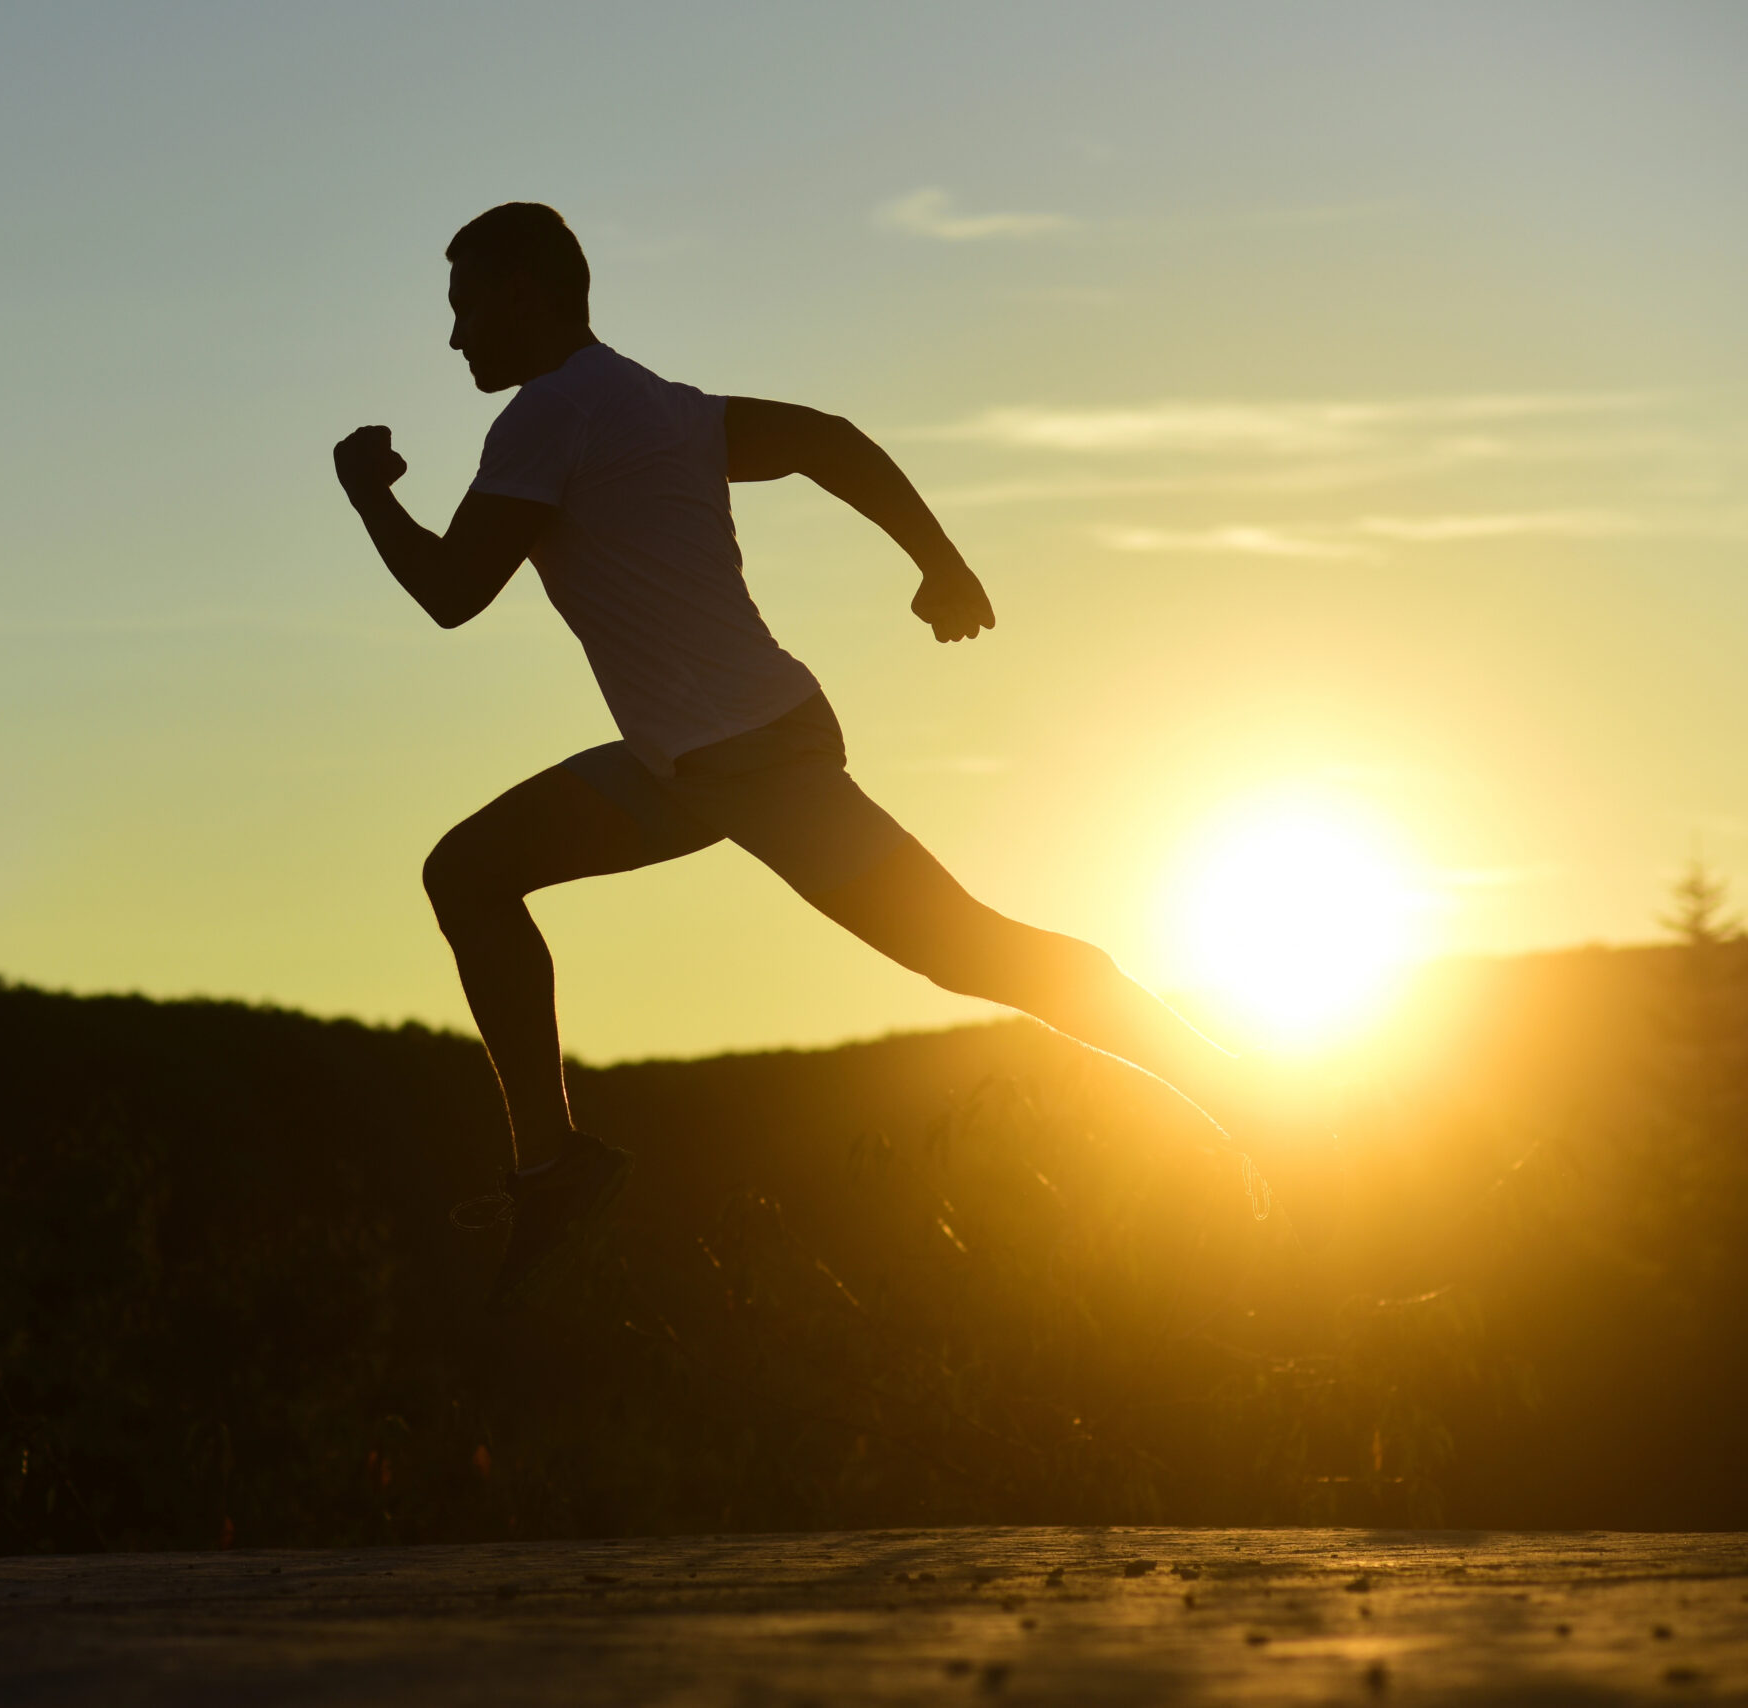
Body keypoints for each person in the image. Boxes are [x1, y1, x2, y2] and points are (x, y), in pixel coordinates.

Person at [335, 202, 1264, 1308]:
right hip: (694, 760)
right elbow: (826, 438)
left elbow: (452, 593)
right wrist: (939, 563)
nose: (454, 338)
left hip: (750, 762)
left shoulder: (546, 416)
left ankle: (1252, 1103)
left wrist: (370, 496)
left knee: (974, 952)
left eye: (466, 308)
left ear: (524, 294)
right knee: (469, 871)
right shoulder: (654, 404)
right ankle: (554, 1169)